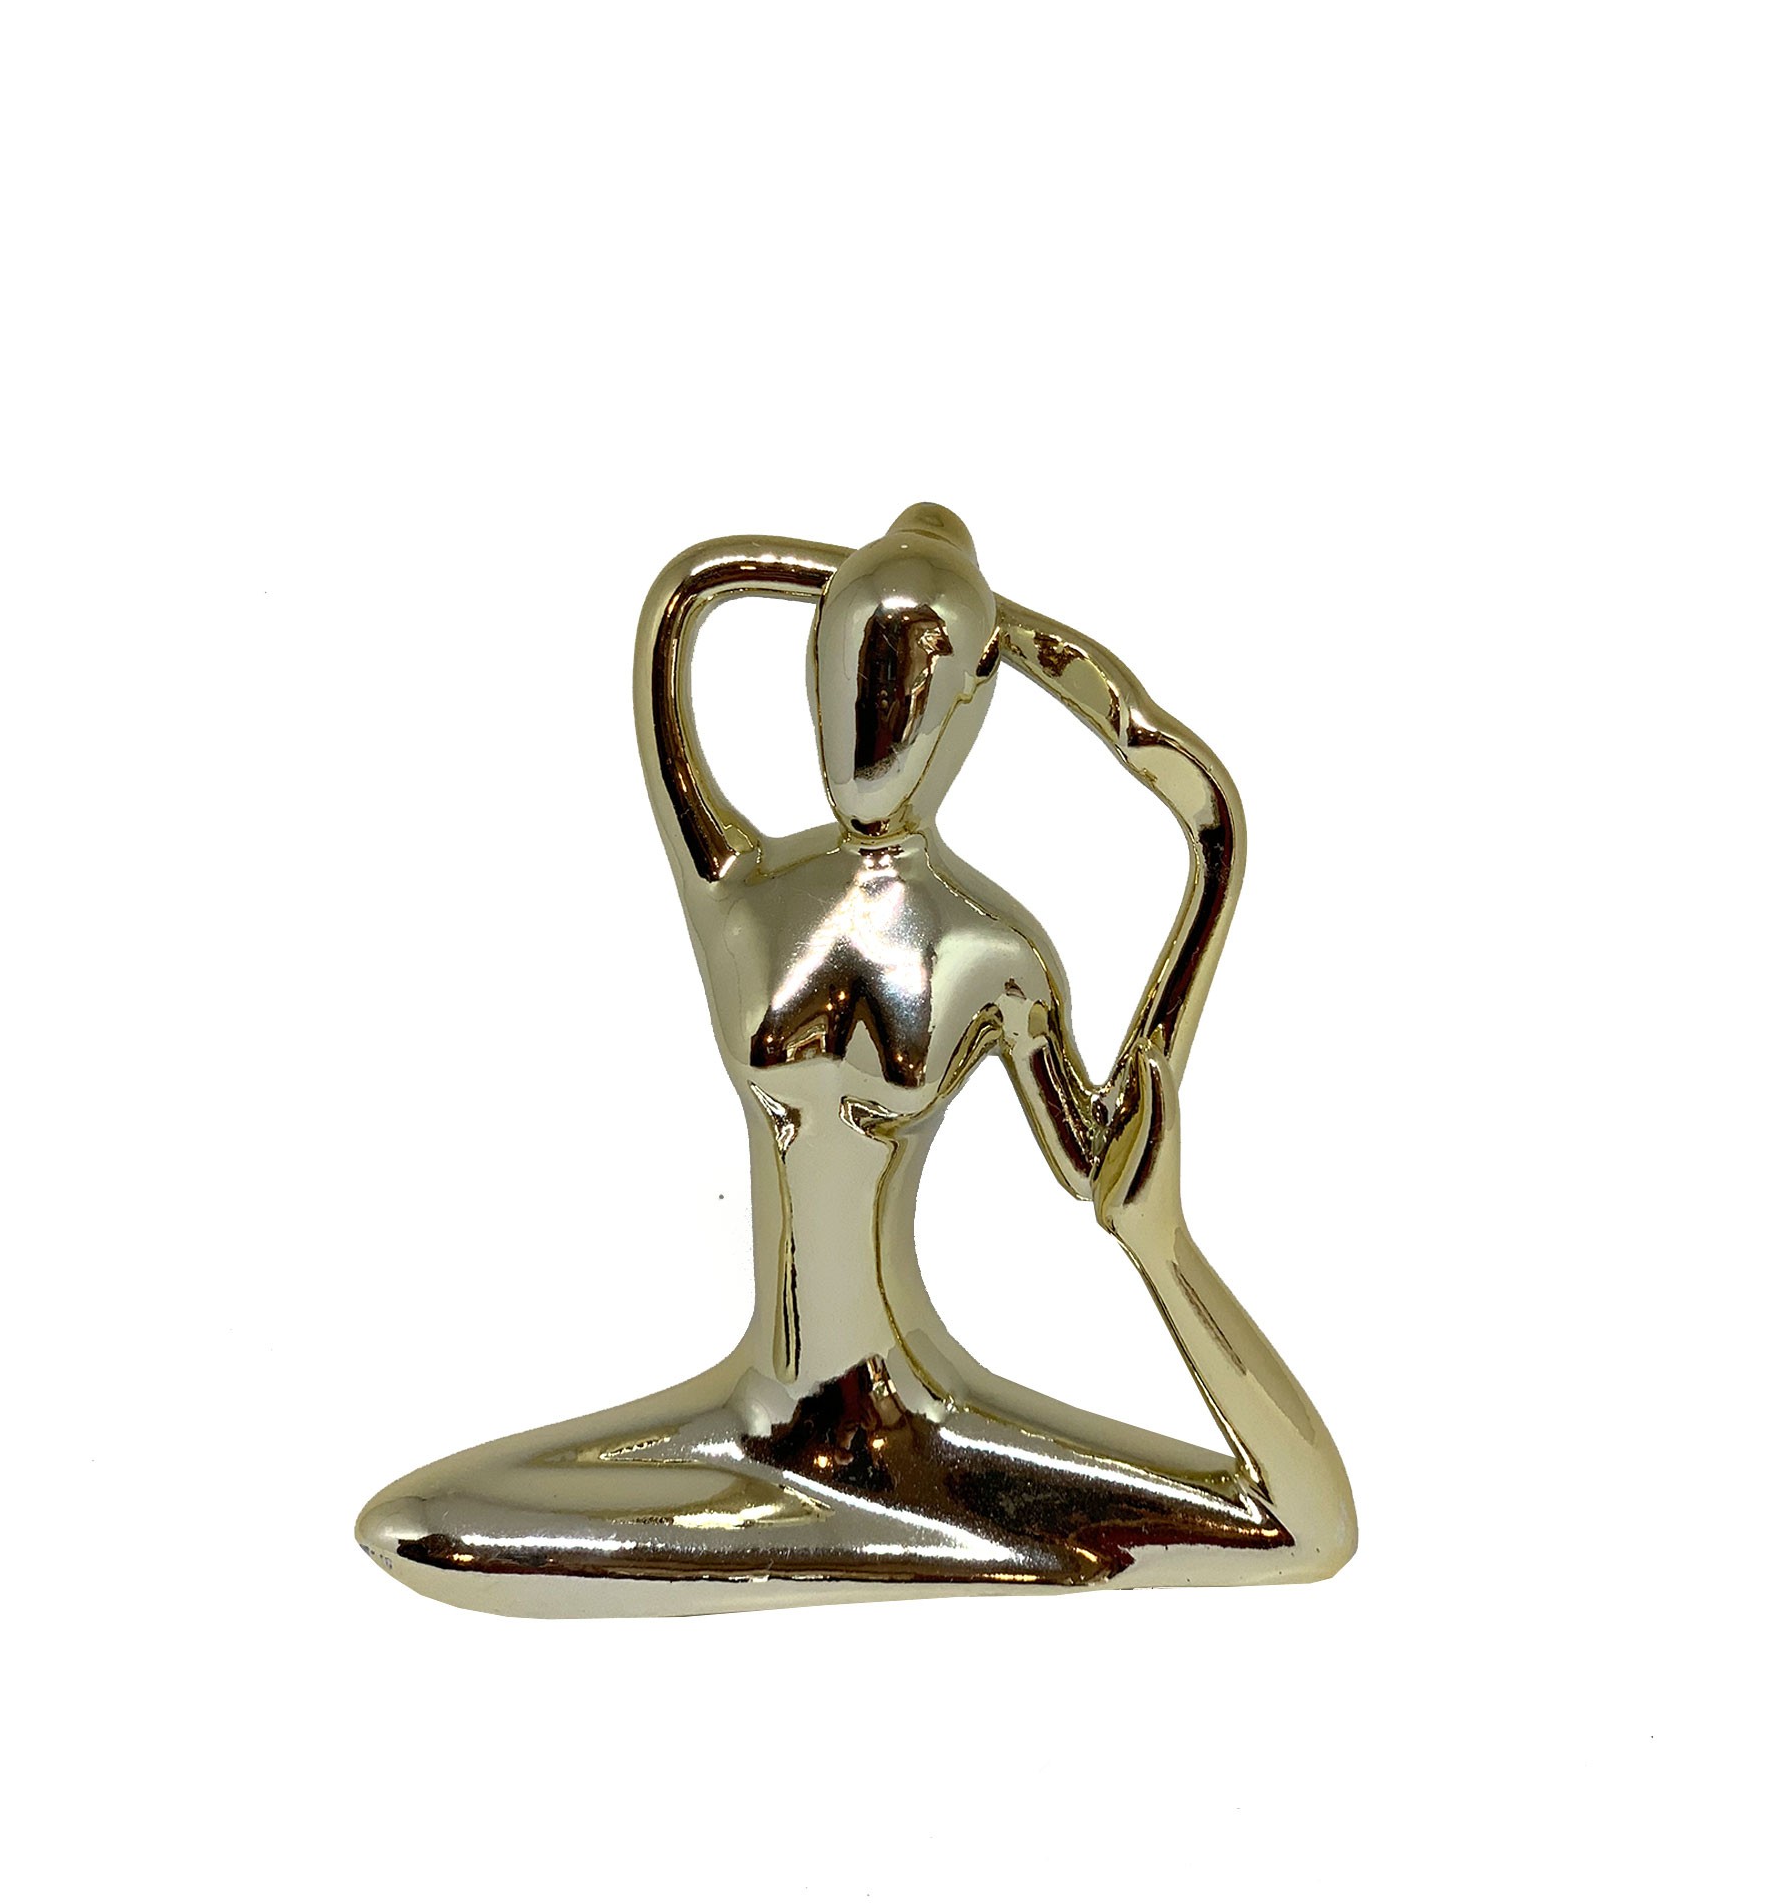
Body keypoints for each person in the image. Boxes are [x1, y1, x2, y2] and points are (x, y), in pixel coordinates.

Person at [356, 504, 1355, 1616]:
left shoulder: (993, 955)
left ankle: (884, 1533)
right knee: (419, 1525)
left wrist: (1161, 1241)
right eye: (845, 680)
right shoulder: (741, 897)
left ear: (964, 716)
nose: (870, 727)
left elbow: (1103, 1181)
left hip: (924, 1432)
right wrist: (1016, 640)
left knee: (1293, 1528)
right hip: (751, 1430)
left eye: (915, 693)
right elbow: (683, 599)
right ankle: (808, 1529)